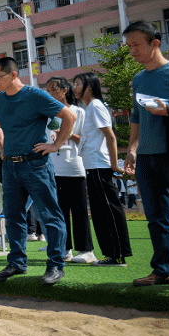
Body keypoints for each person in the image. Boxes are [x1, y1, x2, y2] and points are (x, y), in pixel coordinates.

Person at [0, 56, 75, 285]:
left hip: (36, 164)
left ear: (14, 74)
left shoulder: (34, 96)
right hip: (10, 166)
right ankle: (17, 263)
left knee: (49, 214)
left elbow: (69, 115)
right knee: (13, 216)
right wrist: (2, 148)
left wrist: (55, 145)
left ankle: (56, 265)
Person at [122, 20, 169, 287]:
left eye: (136, 45)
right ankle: (162, 271)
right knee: (155, 218)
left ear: (154, 43)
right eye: (129, 46)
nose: (132, 51)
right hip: (146, 157)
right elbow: (136, 117)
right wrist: (132, 150)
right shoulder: (139, 78)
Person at [72, 72, 131, 267]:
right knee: (99, 212)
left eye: (78, 83)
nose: (75, 87)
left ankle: (118, 254)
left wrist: (114, 165)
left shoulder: (96, 106)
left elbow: (110, 136)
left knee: (108, 210)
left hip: (100, 166)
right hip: (92, 165)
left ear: (89, 86)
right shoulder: (90, 108)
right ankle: (112, 254)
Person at [44, 77, 97, 264]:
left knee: (80, 209)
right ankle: (64, 248)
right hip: (53, 168)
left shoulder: (78, 112)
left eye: (54, 89)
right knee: (59, 211)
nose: (50, 93)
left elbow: (85, 139)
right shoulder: (50, 115)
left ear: (65, 90)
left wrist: (66, 134)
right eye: (48, 90)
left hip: (74, 166)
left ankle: (86, 250)